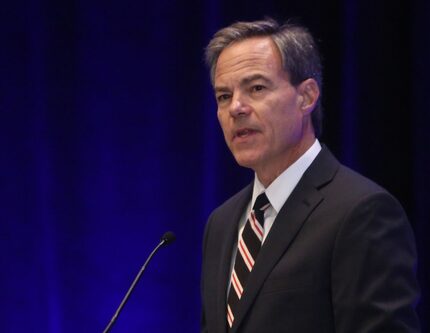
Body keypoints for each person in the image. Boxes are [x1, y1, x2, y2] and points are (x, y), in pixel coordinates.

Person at [201, 18, 420, 333]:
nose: (236, 107)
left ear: (306, 96)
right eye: (223, 96)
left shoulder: (361, 213)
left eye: (256, 88)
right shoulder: (221, 224)